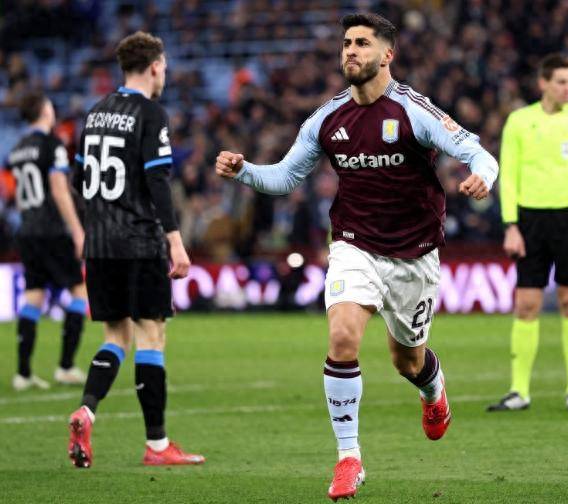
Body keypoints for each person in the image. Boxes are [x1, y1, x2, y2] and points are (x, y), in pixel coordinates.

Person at [215, 13, 498, 501]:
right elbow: (285, 177)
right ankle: (349, 458)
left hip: (414, 255)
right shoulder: (326, 119)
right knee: (343, 336)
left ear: (387, 55)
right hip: (354, 245)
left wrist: (482, 177)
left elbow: (479, 153)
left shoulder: (413, 110)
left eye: (362, 43)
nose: (350, 50)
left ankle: (433, 391)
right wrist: (245, 171)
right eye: (346, 42)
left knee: (407, 360)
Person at [67, 31, 204, 468]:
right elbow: (158, 181)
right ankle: (157, 446)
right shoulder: (150, 113)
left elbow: (78, 179)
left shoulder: (95, 113)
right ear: (155, 67)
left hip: (99, 243)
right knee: (151, 335)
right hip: (139, 241)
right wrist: (175, 241)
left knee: (115, 336)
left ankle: (87, 409)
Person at [487, 53, 568, 413]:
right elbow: (509, 176)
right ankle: (519, 391)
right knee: (527, 304)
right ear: (543, 83)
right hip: (529, 222)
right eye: (561, 81)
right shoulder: (519, 122)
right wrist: (510, 226)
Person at [6, 91, 88, 391]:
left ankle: (23, 373)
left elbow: (20, 196)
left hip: (27, 231)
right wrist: (77, 230)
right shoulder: (52, 145)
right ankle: (65, 366)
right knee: (79, 292)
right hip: (52, 230)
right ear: (44, 111)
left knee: (33, 298)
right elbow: (59, 190)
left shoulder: (17, 150)